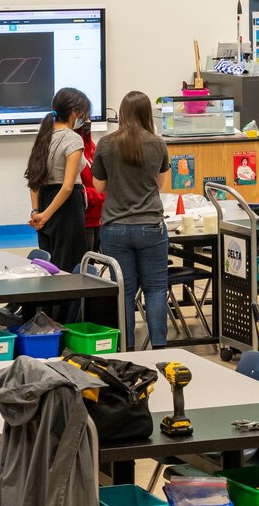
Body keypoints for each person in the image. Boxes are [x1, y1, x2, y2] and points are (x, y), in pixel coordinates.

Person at [92, 90, 171, 349]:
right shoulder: (158, 143)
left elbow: (99, 187)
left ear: (123, 114)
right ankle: (158, 345)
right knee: (156, 288)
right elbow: (160, 184)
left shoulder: (106, 143)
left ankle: (126, 348)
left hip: (115, 226)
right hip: (150, 226)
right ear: (147, 113)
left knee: (124, 290)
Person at [24, 87, 90, 272]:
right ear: (74, 113)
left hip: (45, 203)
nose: (84, 119)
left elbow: (34, 180)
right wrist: (46, 215)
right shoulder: (73, 139)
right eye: (83, 114)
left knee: (49, 268)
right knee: (69, 268)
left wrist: (37, 212)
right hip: (65, 207)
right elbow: (68, 186)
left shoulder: (44, 137)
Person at [76, 118, 105, 251]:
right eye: (83, 117)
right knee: (85, 265)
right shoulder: (75, 150)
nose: (88, 121)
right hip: (83, 220)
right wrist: (103, 196)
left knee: (94, 262)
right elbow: (77, 188)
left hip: (98, 218)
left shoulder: (92, 147)